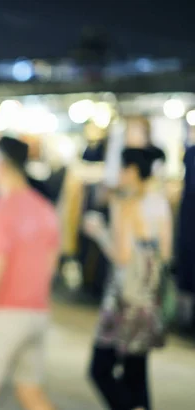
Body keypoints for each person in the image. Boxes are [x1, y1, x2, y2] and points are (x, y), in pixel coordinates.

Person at [0, 137, 60, 410]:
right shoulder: (45, 209)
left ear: (1, 164)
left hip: (0, 312)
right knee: (31, 392)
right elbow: (50, 266)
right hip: (37, 311)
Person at [84, 148, 171, 410]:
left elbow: (121, 257)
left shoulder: (125, 203)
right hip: (147, 298)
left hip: (124, 298)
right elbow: (165, 253)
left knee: (100, 369)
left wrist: (99, 233)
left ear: (132, 171)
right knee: (136, 372)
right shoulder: (160, 202)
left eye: (120, 169)